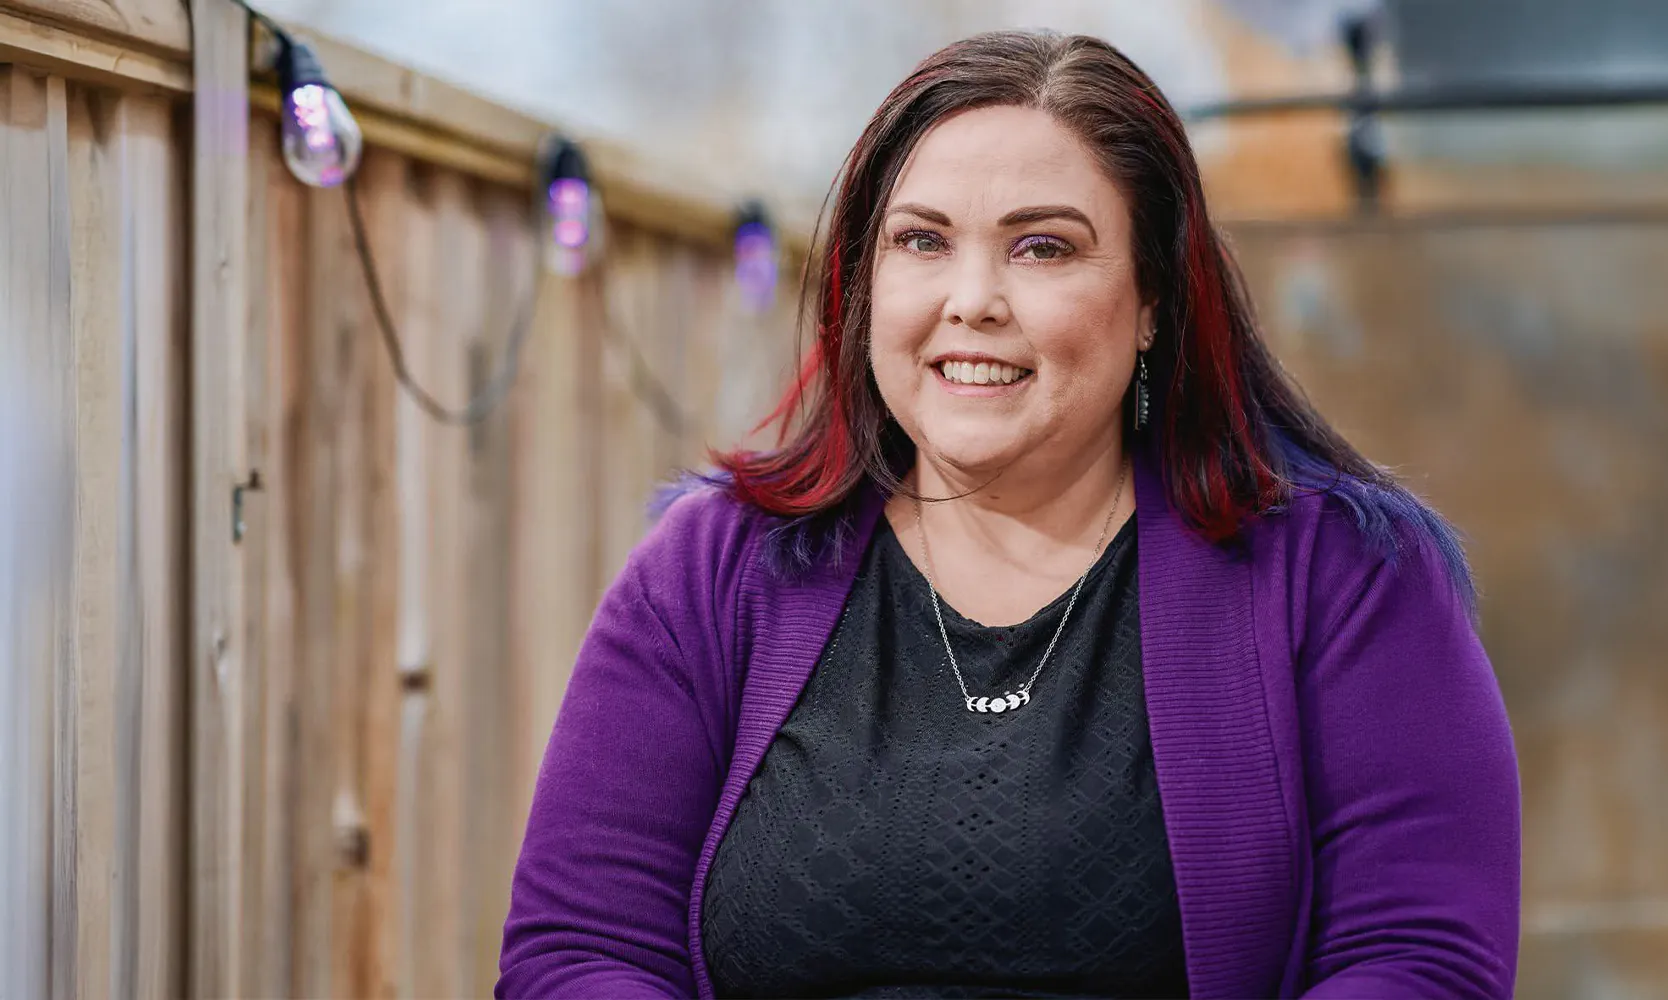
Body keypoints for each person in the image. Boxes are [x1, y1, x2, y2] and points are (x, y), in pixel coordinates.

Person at [497, 29, 1518, 1000]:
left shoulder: (1342, 577)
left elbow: (1420, 958)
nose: (973, 298)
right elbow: (578, 951)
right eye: (922, 241)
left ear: (1155, 296)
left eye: (1043, 249)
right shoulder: (712, 570)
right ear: (864, 282)